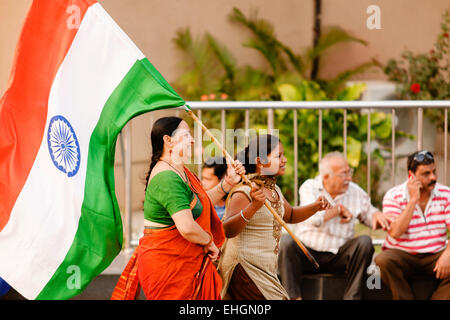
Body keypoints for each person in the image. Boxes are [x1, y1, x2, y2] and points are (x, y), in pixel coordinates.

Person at [111, 116, 245, 300]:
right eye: (186, 135)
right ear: (168, 140)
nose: (192, 140)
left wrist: (228, 183)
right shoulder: (167, 177)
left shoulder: (179, 171)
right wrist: (209, 241)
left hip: (183, 266)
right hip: (168, 268)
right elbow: (188, 228)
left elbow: (201, 205)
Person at [218, 134, 331, 300]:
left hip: (264, 269)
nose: (284, 160)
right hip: (244, 267)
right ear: (260, 161)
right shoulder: (244, 190)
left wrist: (315, 207)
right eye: (279, 156)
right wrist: (253, 207)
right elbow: (227, 229)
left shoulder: (273, 190)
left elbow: (290, 215)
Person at [278, 151, 391, 300]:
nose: (349, 178)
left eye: (349, 172)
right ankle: (293, 298)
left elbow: (369, 214)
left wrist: (376, 214)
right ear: (326, 177)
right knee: (287, 242)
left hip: (339, 254)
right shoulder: (309, 187)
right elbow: (314, 220)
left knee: (364, 242)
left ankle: (352, 298)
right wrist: (338, 209)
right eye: (343, 174)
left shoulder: (355, 191)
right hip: (309, 253)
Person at [375, 150, 450, 300]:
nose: (433, 177)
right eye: (426, 174)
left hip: (435, 254)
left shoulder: (446, 193)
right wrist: (413, 199)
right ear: (411, 175)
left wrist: (448, 254)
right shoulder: (393, 195)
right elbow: (395, 232)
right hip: (403, 254)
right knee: (383, 260)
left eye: (434, 172)